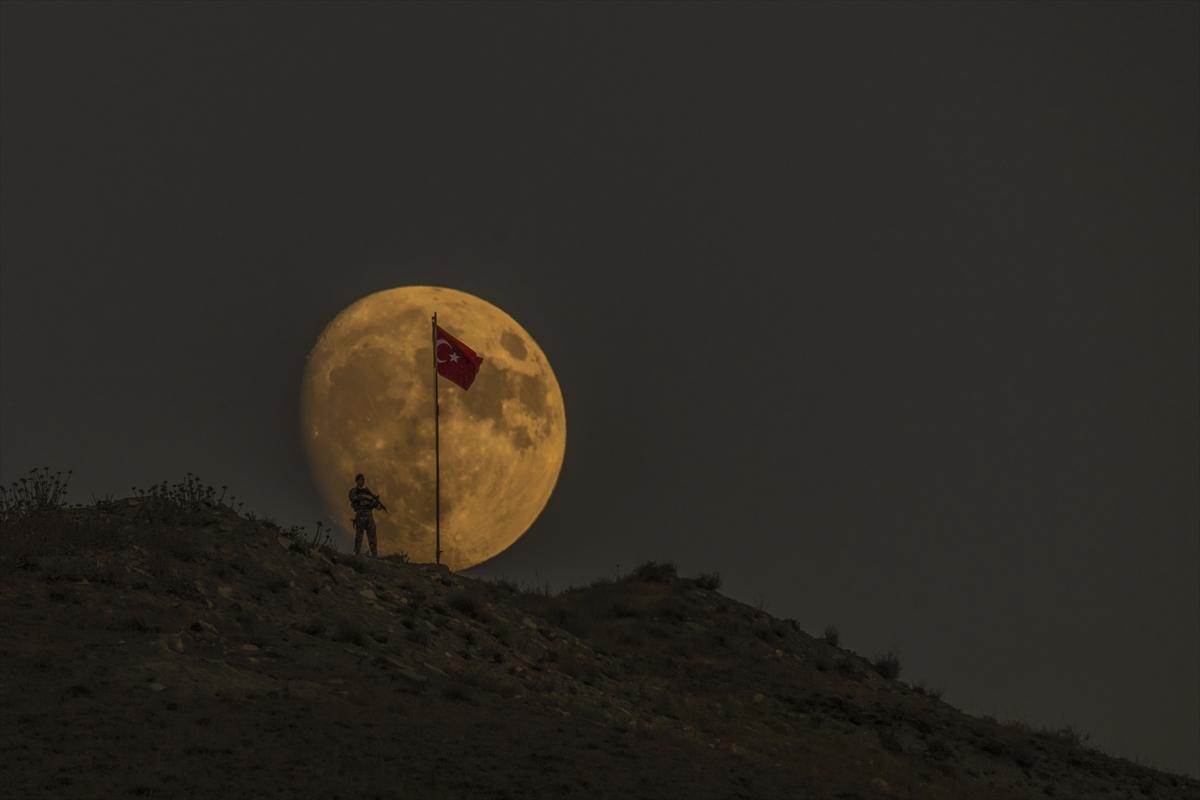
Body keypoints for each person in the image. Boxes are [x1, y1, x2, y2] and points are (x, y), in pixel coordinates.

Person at [348, 473, 386, 557]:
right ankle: (356, 553)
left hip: (369, 515)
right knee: (359, 536)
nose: (363, 481)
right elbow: (352, 498)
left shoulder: (368, 491)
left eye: (363, 479)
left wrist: (377, 505)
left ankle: (374, 555)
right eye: (361, 479)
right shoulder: (354, 491)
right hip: (360, 514)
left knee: (372, 535)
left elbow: (373, 502)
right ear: (357, 481)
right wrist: (365, 497)